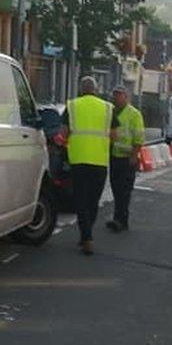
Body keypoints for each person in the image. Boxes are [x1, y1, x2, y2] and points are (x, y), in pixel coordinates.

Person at [62, 76, 116, 256]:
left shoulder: (72, 106)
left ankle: (86, 236)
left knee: (80, 200)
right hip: (100, 162)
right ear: (96, 89)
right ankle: (87, 235)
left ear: (81, 88)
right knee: (93, 201)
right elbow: (115, 135)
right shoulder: (108, 108)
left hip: (78, 160)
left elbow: (64, 133)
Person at [107, 85, 144, 232]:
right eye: (114, 95)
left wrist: (134, 156)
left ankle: (121, 220)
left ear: (126, 97)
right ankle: (118, 218)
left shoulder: (134, 114)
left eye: (118, 95)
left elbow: (139, 137)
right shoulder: (111, 112)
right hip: (114, 156)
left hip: (127, 159)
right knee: (116, 189)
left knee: (124, 191)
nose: (115, 98)